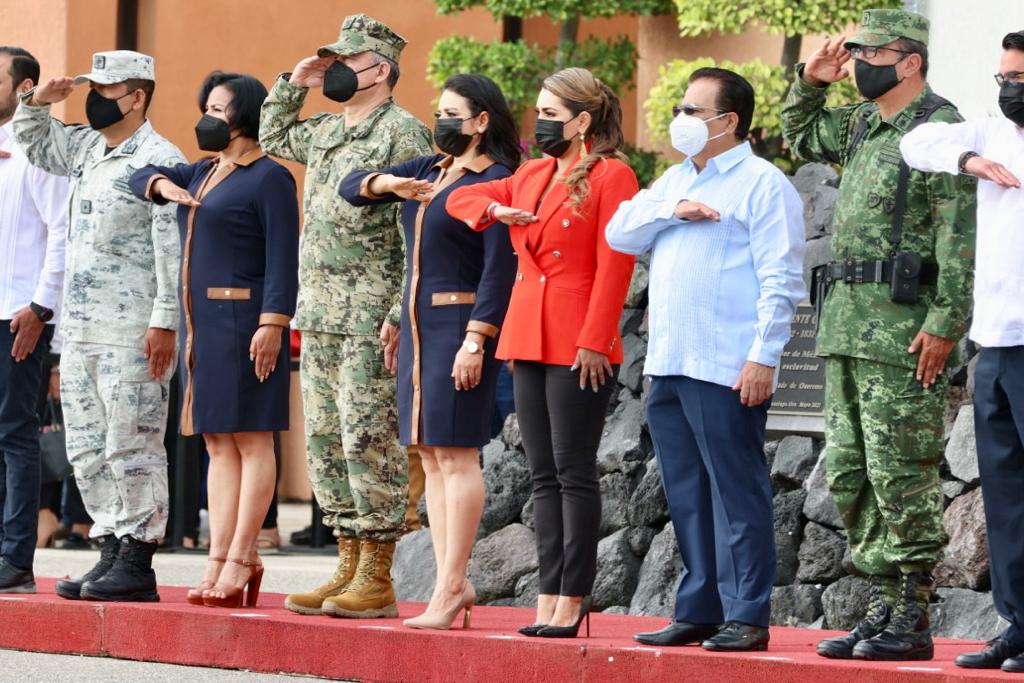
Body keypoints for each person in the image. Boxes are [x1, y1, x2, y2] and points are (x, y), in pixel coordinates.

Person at [781, 10, 976, 661]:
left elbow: (958, 233)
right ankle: (881, 605)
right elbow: (801, 135)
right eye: (855, 51)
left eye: (869, 51)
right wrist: (811, 80)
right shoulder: (862, 122)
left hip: (903, 332)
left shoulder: (940, 128)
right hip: (845, 323)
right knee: (852, 472)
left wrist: (946, 324)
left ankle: (912, 615)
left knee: (903, 473)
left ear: (909, 58)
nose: (859, 61)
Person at [607, 67, 805, 653]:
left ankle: (746, 613)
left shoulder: (764, 184)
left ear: (729, 121)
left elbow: (781, 278)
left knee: (736, 490)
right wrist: (676, 210)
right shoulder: (672, 179)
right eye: (682, 108)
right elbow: (621, 231)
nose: (682, 120)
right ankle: (698, 608)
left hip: (724, 362)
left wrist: (763, 356)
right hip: (669, 359)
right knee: (686, 491)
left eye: (694, 110)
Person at [447, 67, 637, 639]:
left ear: (583, 121)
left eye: (552, 114)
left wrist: (595, 339)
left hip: (579, 337)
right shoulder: (531, 173)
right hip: (527, 332)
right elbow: (461, 195)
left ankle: (572, 597)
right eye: (539, 112)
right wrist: (494, 211)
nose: (541, 122)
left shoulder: (612, 175)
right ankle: (548, 592)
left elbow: (615, 266)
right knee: (541, 474)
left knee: (574, 471)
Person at [259, 14, 432, 618]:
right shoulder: (328, 128)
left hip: (369, 315)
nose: (334, 69)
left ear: (380, 69)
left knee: (368, 441)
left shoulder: (403, 133)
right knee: (327, 444)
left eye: (346, 60)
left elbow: (417, 230)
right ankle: (347, 565)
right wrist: (293, 82)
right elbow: (274, 135)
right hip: (322, 312)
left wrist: (395, 310)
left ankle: (378, 575)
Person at [340, 73, 519, 630]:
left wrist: (478, 337)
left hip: (461, 325)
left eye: (452, 113)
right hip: (419, 327)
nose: (441, 121)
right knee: (432, 455)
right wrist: (386, 185)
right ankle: (450, 581)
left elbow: (501, 267)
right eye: (438, 111)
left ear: (481, 121)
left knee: (457, 454)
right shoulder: (428, 171)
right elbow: (349, 185)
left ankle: (450, 585)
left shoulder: (497, 179)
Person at [14, 50, 185, 602]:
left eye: (106, 91)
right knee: (87, 448)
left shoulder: (159, 158)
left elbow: (171, 248)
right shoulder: (87, 148)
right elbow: (35, 143)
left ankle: (137, 560)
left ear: (137, 98)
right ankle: (109, 547)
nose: (94, 99)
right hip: (83, 329)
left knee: (131, 444)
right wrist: (36, 100)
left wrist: (164, 321)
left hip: (133, 331)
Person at [130, 71, 299, 608]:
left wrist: (274, 322)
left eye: (220, 108)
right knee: (216, 444)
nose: (209, 116)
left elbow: (282, 256)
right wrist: (161, 186)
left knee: (251, 439)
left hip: (245, 325)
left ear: (246, 114)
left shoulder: (269, 176)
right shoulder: (202, 172)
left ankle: (242, 555)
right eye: (207, 105)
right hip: (202, 329)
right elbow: (139, 175)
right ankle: (218, 557)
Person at [900, 30, 1024, 674]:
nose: (1009, 90)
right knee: (1006, 495)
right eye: (1004, 78)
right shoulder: (992, 133)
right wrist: (969, 162)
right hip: (997, 344)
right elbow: (916, 141)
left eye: (1020, 80)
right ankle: (1017, 625)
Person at [0, 46, 68, 592]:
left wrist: (42, 308)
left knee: (14, 435)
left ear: (24, 88)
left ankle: (14, 558)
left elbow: (60, 234)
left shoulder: (40, 151)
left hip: (17, 317)